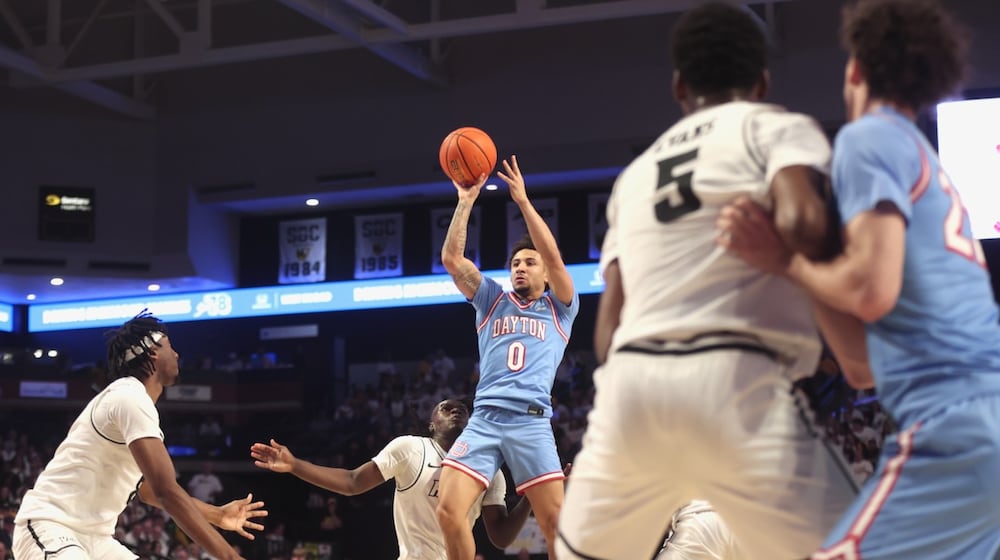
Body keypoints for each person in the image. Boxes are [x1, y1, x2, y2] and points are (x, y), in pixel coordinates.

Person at [556, 3, 856, 559]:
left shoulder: (634, 175)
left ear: (678, 87)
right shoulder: (774, 126)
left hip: (632, 392)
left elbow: (607, 333)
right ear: (762, 81)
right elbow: (802, 222)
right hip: (735, 380)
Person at [718, 1, 1000, 557]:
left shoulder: (868, 137)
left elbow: (871, 290)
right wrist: (807, 256)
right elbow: (860, 367)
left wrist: (785, 262)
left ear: (855, 70)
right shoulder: (924, 161)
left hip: (954, 425)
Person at [12, 311, 266, 560]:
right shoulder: (129, 397)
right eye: (170, 346)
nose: (176, 354)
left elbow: (148, 492)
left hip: (96, 539)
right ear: (153, 352)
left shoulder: (133, 404)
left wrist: (218, 516)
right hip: (52, 525)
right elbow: (166, 491)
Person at [435, 155, 579, 560]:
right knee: (448, 511)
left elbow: (554, 257)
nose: (520, 267)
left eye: (529, 262)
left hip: (531, 423)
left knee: (557, 529)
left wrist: (523, 201)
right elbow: (452, 260)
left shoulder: (561, 307)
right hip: (484, 419)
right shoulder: (492, 300)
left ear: (546, 274)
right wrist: (466, 199)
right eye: (515, 263)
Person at [250, 399, 532, 560]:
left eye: (462, 409)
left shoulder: (488, 468)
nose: (456, 409)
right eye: (446, 408)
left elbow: (501, 537)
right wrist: (295, 465)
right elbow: (352, 482)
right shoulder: (411, 448)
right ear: (431, 425)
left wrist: (531, 495)